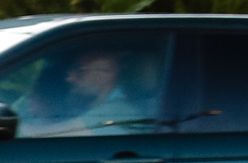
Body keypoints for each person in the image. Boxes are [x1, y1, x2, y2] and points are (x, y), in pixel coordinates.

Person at [20, 46, 159, 136]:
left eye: (79, 72)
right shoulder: (88, 105)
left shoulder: (119, 111)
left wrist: (6, 129)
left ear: (106, 74)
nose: (70, 78)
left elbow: (53, 134)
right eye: (70, 71)